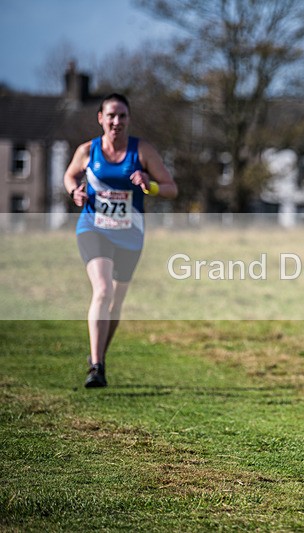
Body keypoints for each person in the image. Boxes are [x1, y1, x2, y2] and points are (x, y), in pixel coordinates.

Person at [64, 93, 178, 388]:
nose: (117, 121)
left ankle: (99, 356)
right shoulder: (88, 150)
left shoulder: (142, 151)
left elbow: (171, 188)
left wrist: (149, 185)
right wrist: (75, 191)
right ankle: (96, 365)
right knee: (102, 290)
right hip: (94, 228)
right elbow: (70, 176)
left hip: (130, 234)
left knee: (115, 303)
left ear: (129, 119)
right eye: (111, 115)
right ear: (100, 118)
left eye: (122, 116)